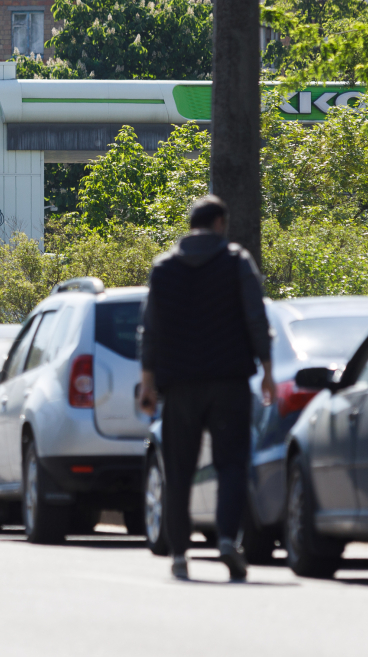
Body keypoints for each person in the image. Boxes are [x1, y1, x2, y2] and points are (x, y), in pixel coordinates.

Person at [138, 195, 274, 581]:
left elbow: (151, 331)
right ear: (219, 224)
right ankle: (227, 538)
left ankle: (180, 553)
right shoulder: (236, 262)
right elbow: (255, 317)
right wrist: (266, 370)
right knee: (232, 464)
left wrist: (147, 383)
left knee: (179, 469)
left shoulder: (163, 268)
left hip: (179, 385)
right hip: (229, 381)